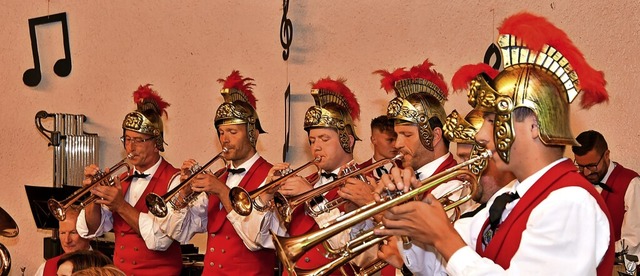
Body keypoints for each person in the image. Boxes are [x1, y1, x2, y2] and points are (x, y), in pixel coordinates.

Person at [374, 12, 615, 275]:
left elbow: (453, 250)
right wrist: (410, 212)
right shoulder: (508, 194)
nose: (480, 136)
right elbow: (438, 267)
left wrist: (443, 237)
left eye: (492, 119)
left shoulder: (571, 201)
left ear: (533, 125)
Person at [159, 71, 278, 275]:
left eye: (233, 132)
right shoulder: (220, 175)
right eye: (221, 132)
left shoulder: (271, 177)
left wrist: (223, 192)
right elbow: (178, 233)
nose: (225, 139)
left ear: (253, 134)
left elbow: (256, 240)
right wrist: (184, 194)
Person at [262, 77, 377, 275]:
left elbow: (357, 252)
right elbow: (263, 240)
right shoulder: (308, 182)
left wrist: (312, 197)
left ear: (347, 141)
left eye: (325, 139)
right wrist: (267, 197)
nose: (316, 146)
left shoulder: (364, 184)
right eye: (312, 140)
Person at [77, 84, 182, 275]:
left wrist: (120, 205)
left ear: (156, 143)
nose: (130, 147)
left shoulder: (174, 180)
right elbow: (91, 230)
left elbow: (160, 239)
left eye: (138, 140)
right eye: (127, 139)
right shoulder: (123, 179)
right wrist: (94, 195)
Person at [573, 130, 640, 257]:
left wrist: (591, 255)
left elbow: (632, 243)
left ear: (606, 155)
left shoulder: (631, 183)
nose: (586, 173)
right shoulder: (575, 182)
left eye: (592, 166)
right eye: (581, 166)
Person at [36, 207, 91, 276]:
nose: (67, 240)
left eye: (73, 233)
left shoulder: (103, 266)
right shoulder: (46, 268)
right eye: (62, 233)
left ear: (89, 235)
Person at [359, 115, 400, 179]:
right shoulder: (360, 170)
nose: (396, 145)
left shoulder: (407, 167)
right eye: (390, 140)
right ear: (373, 140)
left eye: (397, 139)